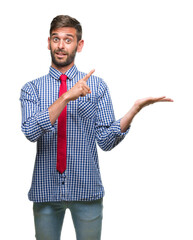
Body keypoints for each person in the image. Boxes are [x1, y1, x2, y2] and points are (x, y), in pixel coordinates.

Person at [20, 15, 173, 240]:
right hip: (45, 192)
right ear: (48, 42)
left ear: (79, 45)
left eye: (68, 40)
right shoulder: (31, 89)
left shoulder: (97, 86)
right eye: (56, 39)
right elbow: (31, 132)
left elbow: (106, 141)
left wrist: (135, 110)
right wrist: (65, 98)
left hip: (87, 189)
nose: (61, 46)